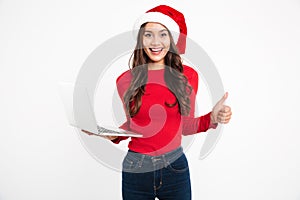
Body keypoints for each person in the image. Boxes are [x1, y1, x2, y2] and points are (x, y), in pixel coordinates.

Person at [83, 4, 232, 200]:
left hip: (175, 167)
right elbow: (137, 123)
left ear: (172, 39)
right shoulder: (125, 80)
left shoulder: (186, 76)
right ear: (140, 40)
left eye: (163, 34)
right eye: (148, 35)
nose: (155, 42)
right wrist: (113, 135)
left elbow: (184, 125)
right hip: (136, 168)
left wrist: (212, 117)